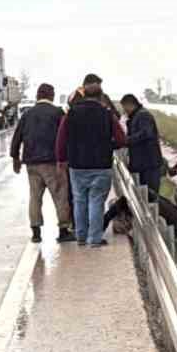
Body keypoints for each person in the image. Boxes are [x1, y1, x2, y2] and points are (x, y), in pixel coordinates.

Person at [55, 74, 125, 247]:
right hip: (101, 164)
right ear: (101, 95)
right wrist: (109, 145)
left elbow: (61, 139)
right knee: (96, 200)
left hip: (77, 164)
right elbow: (121, 139)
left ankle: (80, 236)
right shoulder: (107, 114)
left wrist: (61, 159)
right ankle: (94, 238)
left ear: (83, 94)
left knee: (79, 200)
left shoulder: (71, 114)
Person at [9, 83, 75, 243]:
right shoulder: (58, 113)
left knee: (35, 197)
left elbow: (17, 138)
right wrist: (66, 159)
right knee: (60, 195)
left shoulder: (27, 114)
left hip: (31, 163)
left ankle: (36, 232)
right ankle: (63, 230)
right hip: (52, 162)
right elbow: (66, 137)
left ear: (37, 95)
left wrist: (15, 158)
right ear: (51, 95)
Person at [121, 94, 162, 196]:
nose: (124, 111)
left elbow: (146, 133)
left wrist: (127, 140)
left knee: (150, 195)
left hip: (148, 164)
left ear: (130, 105)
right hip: (143, 163)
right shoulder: (136, 116)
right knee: (144, 194)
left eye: (124, 108)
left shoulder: (143, 115)